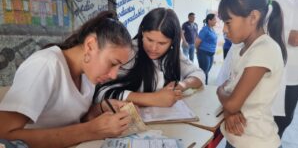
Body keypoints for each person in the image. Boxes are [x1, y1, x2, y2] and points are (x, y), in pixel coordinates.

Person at [0, 11, 133, 148]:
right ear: (90, 45)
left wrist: (98, 109)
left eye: (119, 67)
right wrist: (92, 130)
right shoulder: (45, 65)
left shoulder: (87, 76)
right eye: (112, 63)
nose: (114, 75)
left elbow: (71, 121)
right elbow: (3, 135)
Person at [217, 0, 287, 148]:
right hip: (236, 138)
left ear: (253, 17)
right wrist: (228, 109)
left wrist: (219, 91)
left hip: (256, 142)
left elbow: (232, 101)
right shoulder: (239, 50)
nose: (224, 30)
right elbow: (231, 95)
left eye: (228, 22)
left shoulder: (264, 50)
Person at [93, 8, 205, 107]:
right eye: (149, 39)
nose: (153, 48)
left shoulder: (173, 54)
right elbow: (101, 93)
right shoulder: (129, 52)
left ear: (172, 42)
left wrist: (183, 84)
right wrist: (153, 99)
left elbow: (199, 74)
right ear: (142, 33)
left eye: (162, 43)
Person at [250, 0, 298, 139]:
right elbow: (243, 25)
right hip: (261, 72)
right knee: (251, 125)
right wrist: (286, 35)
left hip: (293, 77)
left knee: (283, 121)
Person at [195, 13, 218, 85]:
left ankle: (204, 84)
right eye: (214, 19)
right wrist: (198, 51)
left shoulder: (212, 29)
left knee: (207, 71)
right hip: (204, 53)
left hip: (211, 53)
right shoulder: (205, 30)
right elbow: (197, 41)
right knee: (204, 71)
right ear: (209, 20)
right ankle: (203, 85)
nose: (216, 21)